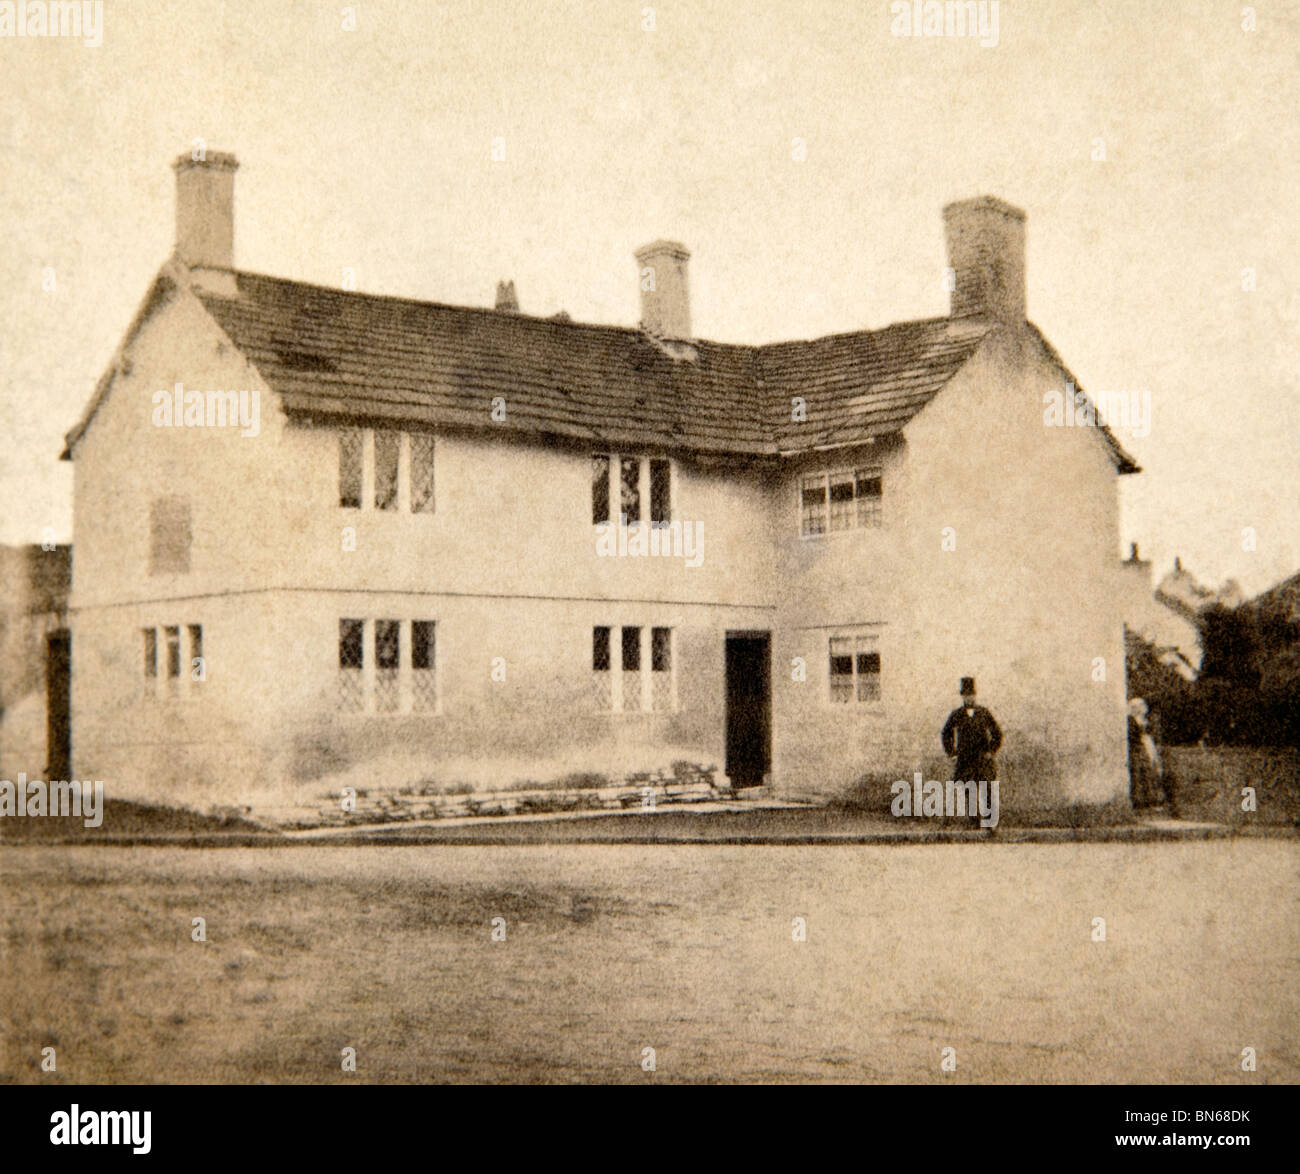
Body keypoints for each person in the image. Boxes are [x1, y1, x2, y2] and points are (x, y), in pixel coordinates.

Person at [941, 677, 1002, 825]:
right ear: (962, 696)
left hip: (982, 759)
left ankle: (990, 823)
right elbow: (946, 733)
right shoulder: (957, 714)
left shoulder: (983, 713)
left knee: (986, 789)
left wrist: (991, 751)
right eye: (966, 695)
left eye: (971, 695)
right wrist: (952, 753)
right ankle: (974, 822)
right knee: (969, 790)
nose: (969, 698)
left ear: (975, 696)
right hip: (965, 759)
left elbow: (997, 733)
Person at [1127, 697, 1167, 808]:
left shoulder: (1146, 720)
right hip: (1139, 748)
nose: (1144, 707)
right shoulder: (1131, 721)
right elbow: (1134, 736)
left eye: (1143, 704)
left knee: (1152, 770)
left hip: (1148, 746)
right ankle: (1140, 800)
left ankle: (1154, 799)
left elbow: (1151, 734)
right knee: (1140, 773)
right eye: (1140, 705)